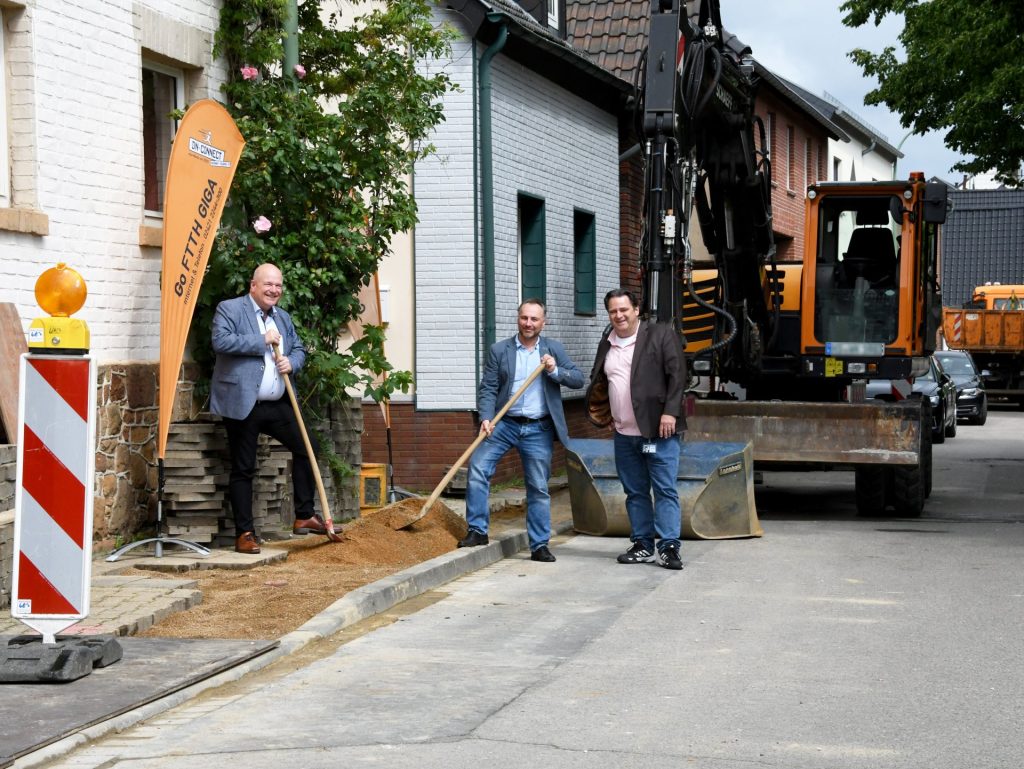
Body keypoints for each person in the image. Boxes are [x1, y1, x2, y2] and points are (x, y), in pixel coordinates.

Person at [210, 263, 326, 554]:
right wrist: (261, 339)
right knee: (243, 468)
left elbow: (298, 349)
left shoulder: (282, 317)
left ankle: (303, 515)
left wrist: (292, 362)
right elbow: (220, 341)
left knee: (308, 447)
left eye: (278, 286)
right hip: (243, 403)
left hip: (277, 403)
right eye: (268, 285)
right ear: (253, 285)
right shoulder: (230, 309)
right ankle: (245, 533)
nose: (274, 290)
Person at [458, 299, 584, 562]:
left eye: (534, 319)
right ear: (518, 319)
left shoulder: (552, 349)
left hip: (538, 428)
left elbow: (578, 379)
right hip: (504, 424)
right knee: (478, 469)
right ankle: (477, 530)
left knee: (538, 486)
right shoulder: (500, 350)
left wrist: (554, 370)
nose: (529, 323)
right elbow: (489, 387)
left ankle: (539, 545)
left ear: (543, 322)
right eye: (524, 318)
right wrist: (486, 417)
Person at [585, 288, 686, 570]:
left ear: (636, 310)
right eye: (613, 311)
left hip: (659, 432)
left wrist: (670, 413)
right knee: (635, 492)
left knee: (665, 490)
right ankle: (643, 544)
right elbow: (603, 383)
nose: (619, 315)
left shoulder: (660, 335)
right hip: (624, 435)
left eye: (623, 310)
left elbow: (677, 376)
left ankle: (668, 548)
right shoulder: (607, 343)